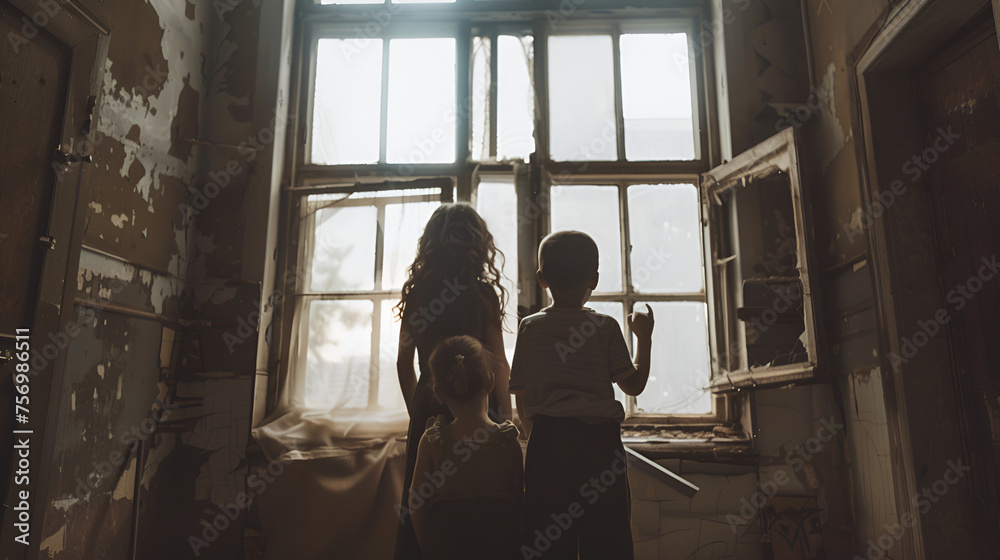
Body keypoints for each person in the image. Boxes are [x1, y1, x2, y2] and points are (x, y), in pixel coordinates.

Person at [509, 230, 654, 560]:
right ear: (595, 278)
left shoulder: (530, 327)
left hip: (548, 445)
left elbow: (521, 393)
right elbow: (633, 386)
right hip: (599, 445)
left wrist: (536, 435)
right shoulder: (604, 327)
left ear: (542, 279)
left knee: (546, 540)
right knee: (607, 539)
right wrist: (643, 338)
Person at [394, 203, 515, 560]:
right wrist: (505, 416)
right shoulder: (483, 296)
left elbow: (403, 364)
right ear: (479, 246)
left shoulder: (417, 293)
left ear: (430, 243)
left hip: (430, 404)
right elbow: (500, 361)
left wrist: (419, 415)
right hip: (480, 408)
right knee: (482, 499)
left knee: (426, 502)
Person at [409, 335, 523, 560]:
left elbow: (416, 502)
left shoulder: (434, 440)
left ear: (439, 393)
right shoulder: (507, 441)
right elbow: (520, 503)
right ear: (490, 382)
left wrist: (427, 548)